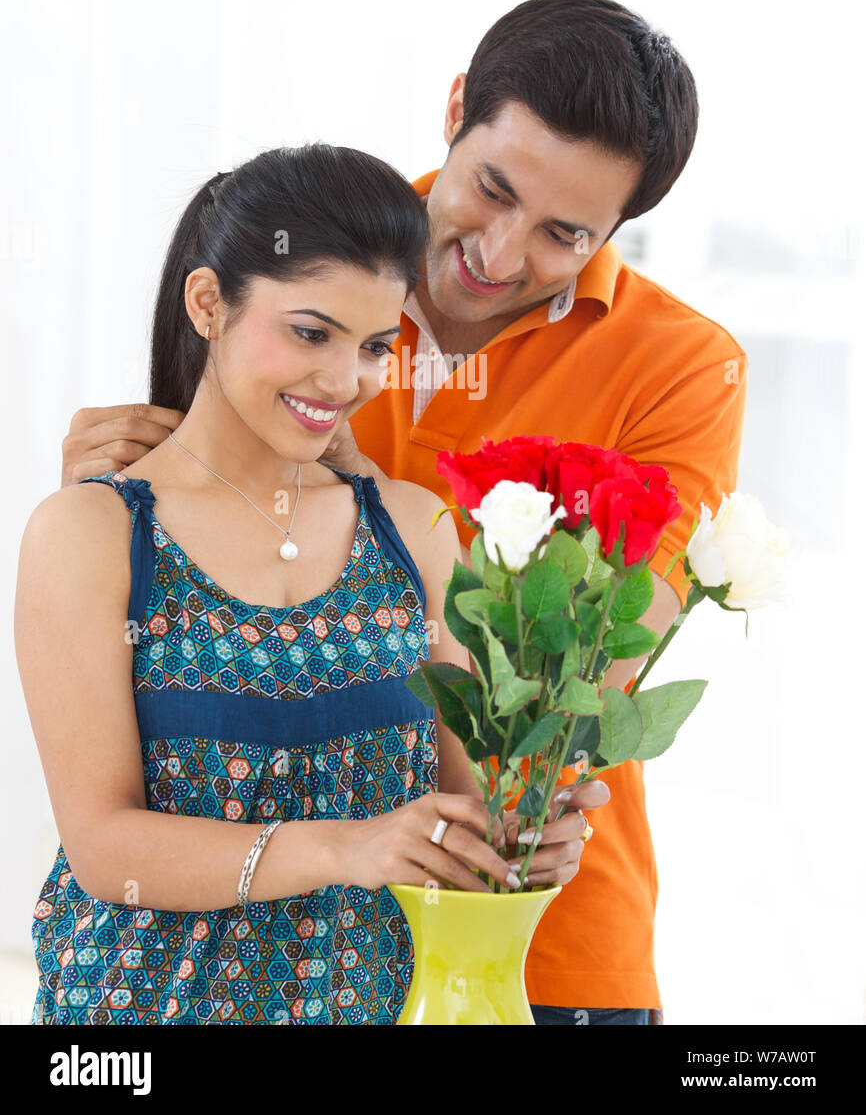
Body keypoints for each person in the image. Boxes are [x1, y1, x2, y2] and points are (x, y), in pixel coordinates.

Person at [58, 0, 748, 1025]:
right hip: (243, 946)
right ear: (457, 105)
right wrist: (129, 485)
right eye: (490, 189)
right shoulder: (309, 255)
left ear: (618, 229)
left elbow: (594, 675)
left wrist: (388, 516)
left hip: (539, 944)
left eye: (564, 233)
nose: (500, 255)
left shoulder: (680, 366)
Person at [16, 142, 601, 1026]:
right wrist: (348, 847)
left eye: (374, 345)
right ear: (208, 303)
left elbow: (472, 803)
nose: (343, 380)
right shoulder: (92, 533)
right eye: (309, 331)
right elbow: (104, 844)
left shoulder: (413, 529)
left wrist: (536, 827)